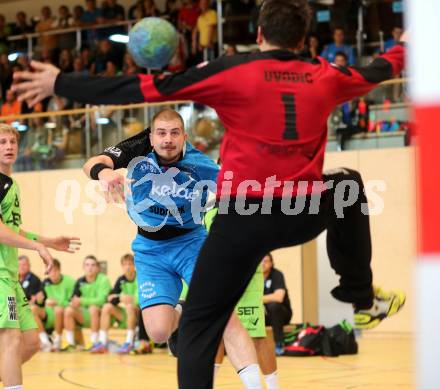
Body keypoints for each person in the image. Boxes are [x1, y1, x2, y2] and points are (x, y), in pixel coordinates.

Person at [11, 1, 407, 388]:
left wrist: (61, 82)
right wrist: (406, 43)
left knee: (200, 328)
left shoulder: (234, 71)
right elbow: (381, 67)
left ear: (259, 34)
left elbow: (146, 87)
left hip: (241, 221)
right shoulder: (325, 73)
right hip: (299, 212)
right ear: (303, 38)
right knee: (349, 185)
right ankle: (360, 295)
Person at [82, 108, 263, 388]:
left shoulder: (200, 165)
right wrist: (105, 173)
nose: (168, 139)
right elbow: (92, 162)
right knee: (157, 331)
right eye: (162, 133)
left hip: (191, 243)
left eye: (174, 133)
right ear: (151, 137)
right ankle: (184, 308)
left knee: (225, 317)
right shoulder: (137, 149)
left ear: (184, 137)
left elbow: (242, 188)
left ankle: (256, 385)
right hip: (149, 250)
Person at [0, 123, 80, 389]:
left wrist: (48, 241)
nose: (8, 147)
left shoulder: (12, 184)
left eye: (12, 142)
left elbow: (13, 229)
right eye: (2, 142)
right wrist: (36, 248)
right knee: (10, 339)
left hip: (9, 273)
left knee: (32, 342)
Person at [90, 253, 139, 354]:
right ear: (122, 266)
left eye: (130, 264)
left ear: (134, 265)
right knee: (107, 307)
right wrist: (120, 298)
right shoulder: (121, 280)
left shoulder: (140, 277)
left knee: (130, 306)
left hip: (140, 314)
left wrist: (126, 298)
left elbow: (140, 299)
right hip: (127, 314)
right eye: (125, 264)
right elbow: (111, 299)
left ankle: (129, 342)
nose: (128, 267)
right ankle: (102, 342)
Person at [62, 255, 112, 351]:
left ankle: (95, 342)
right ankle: (71, 343)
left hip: (103, 315)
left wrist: (82, 301)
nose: (90, 268)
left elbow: (101, 300)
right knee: (68, 310)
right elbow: (73, 300)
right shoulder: (80, 281)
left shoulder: (103, 280)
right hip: (87, 314)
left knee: (93, 308)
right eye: (87, 265)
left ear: (97, 268)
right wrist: (74, 303)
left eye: (93, 265)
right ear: (83, 267)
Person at [31, 258, 76, 351]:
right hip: (49, 313)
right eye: (49, 271)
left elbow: (72, 302)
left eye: (55, 270)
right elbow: (41, 303)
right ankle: (45, 341)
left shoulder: (70, 281)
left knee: (58, 309)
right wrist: (39, 300)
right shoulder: (45, 283)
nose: (52, 273)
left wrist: (57, 302)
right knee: (33, 309)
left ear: (59, 270)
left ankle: (58, 340)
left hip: (64, 312)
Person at [262, 253, 292, 355]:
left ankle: (279, 343)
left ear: (271, 263)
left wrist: (258, 299)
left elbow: (278, 297)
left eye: (266, 261)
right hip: (265, 315)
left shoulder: (277, 275)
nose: (263, 264)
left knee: (273, 306)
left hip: (282, 314)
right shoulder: (255, 277)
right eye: (261, 261)